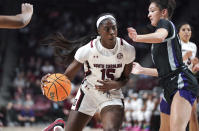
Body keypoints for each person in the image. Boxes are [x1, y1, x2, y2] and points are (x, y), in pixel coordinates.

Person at [41, 13, 135, 131]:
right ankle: (58, 127)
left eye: (114, 28)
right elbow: (66, 77)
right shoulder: (87, 50)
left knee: (111, 129)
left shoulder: (127, 49)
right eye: (107, 28)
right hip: (88, 92)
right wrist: (49, 81)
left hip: (112, 94)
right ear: (99, 31)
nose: (112, 32)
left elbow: (125, 79)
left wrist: (114, 84)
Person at [127, 0, 199, 131]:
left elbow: (159, 36)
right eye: (149, 11)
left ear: (164, 12)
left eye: (152, 10)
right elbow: (163, 71)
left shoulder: (165, 23)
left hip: (182, 81)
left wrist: (138, 38)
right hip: (168, 86)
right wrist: (142, 70)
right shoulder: (156, 45)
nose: (149, 14)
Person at [178, 22, 199, 131]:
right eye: (184, 29)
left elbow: (191, 66)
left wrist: (196, 65)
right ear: (178, 32)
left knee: (193, 115)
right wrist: (185, 57)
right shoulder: (175, 45)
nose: (187, 32)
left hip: (189, 81)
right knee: (178, 118)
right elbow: (171, 65)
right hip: (176, 82)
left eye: (189, 30)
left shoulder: (193, 46)